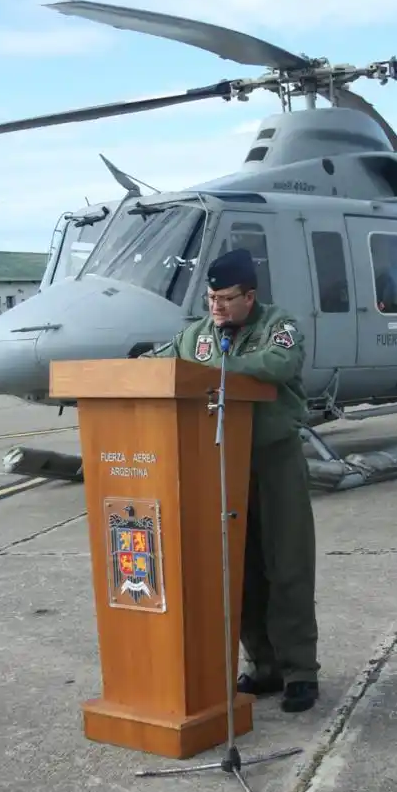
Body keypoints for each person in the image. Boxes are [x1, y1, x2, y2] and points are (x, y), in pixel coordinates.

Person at [143, 248, 320, 712]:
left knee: (288, 565)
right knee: (240, 569)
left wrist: (212, 373)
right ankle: (265, 666)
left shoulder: (277, 326)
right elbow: (162, 363)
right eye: (211, 298)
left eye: (226, 298)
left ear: (250, 296)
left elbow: (276, 366)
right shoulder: (196, 336)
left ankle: (300, 670)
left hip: (273, 458)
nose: (216, 307)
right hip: (222, 464)